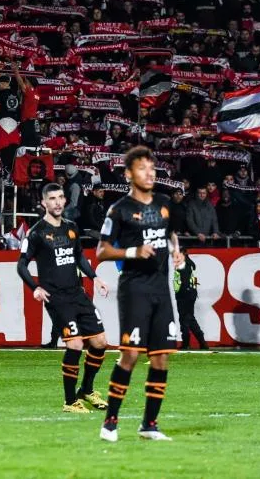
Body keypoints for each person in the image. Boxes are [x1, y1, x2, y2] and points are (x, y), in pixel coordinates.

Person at [97, 145, 185, 442]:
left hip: (161, 289)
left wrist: (176, 251)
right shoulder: (119, 209)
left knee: (161, 358)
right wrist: (133, 251)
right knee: (131, 355)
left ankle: (149, 425)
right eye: (142, 168)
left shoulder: (164, 203)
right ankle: (110, 422)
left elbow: (171, 233)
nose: (149, 173)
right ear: (128, 174)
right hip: (134, 289)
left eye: (152, 168)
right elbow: (101, 251)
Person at [18, 182, 110, 413]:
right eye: (52, 198)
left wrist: (95, 277)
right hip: (56, 297)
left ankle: (86, 390)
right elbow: (21, 265)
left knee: (100, 342)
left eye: (60, 197)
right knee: (75, 344)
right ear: (43, 203)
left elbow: (79, 256)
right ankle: (70, 401)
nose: (57, 202)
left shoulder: (71, 227)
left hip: (78, 293)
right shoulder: (36, 232)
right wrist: (35, 288)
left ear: (65, 200)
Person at [174, 248, 206, 350]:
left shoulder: (183, 264)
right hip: (189, 293)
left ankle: (186, 343)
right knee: (189, 318)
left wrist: (182, 293)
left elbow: (184, 281)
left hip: (184, 294)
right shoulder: (189, 263)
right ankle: (202, 342)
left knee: (184, 319)